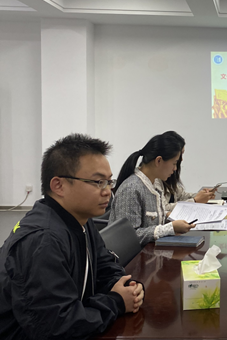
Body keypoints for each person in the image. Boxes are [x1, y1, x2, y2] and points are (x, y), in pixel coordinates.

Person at [0, 134, 144, 339]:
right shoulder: (43, 240)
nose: (108, 191)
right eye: (98, 182)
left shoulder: (80, 219)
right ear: (59, 186)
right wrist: (117, 302)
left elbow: (103, 265)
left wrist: (126, 286)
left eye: (109, 182)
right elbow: (56, 326)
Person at [110, 131, 212, 246]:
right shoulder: (131, 189)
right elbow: (128, 237)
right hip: (133, 256)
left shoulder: (154, 185)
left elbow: (154, 221)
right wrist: (169, 228)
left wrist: (172, 222)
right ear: (158, 161)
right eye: (174, 163)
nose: (175, 169)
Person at [159, 131, 215, 212]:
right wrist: (195, 201)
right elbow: (162, 209)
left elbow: (181, 195)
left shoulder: (169, 176)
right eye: (180, 155)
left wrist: (201, 195)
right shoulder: (155, 178)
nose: (181, 159)